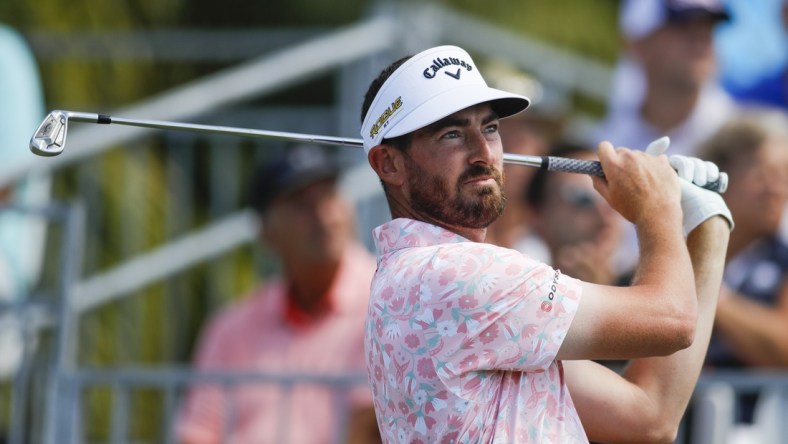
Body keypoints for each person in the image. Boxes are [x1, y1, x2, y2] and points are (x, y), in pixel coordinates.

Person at [360, 45, 732, 443]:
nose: (484, 153)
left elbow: (648, 416)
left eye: (489, 128)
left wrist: (706, 226)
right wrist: (658, 209)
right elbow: (672, 320)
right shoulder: (453, 275)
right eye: (451, 134)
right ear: (389, 164)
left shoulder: (436, 290)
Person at [176, 146, 380, 444]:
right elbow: (196, 434)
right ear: (265, 230)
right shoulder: (232, 327)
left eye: (330, 195)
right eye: (300, 203)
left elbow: (372, 430)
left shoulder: (390, 303)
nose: (324, 215)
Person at [695, 111, 788, 425]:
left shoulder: (784, 260)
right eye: (762, 172)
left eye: (783, 175)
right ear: (720, 176)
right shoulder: (680, 250)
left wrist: (711, 298)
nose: (775, 188)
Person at [596, 0, 739, 157]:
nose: (702, 39)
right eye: (684, 26)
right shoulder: (607, 137)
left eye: (709, 27)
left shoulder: (740, 146)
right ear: (638, 44)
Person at [524, 143, 631, 286]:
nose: (603, 211)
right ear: (538, 216)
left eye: (611, 194)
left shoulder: (651, 287)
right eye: (581, 198)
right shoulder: (521, 294)